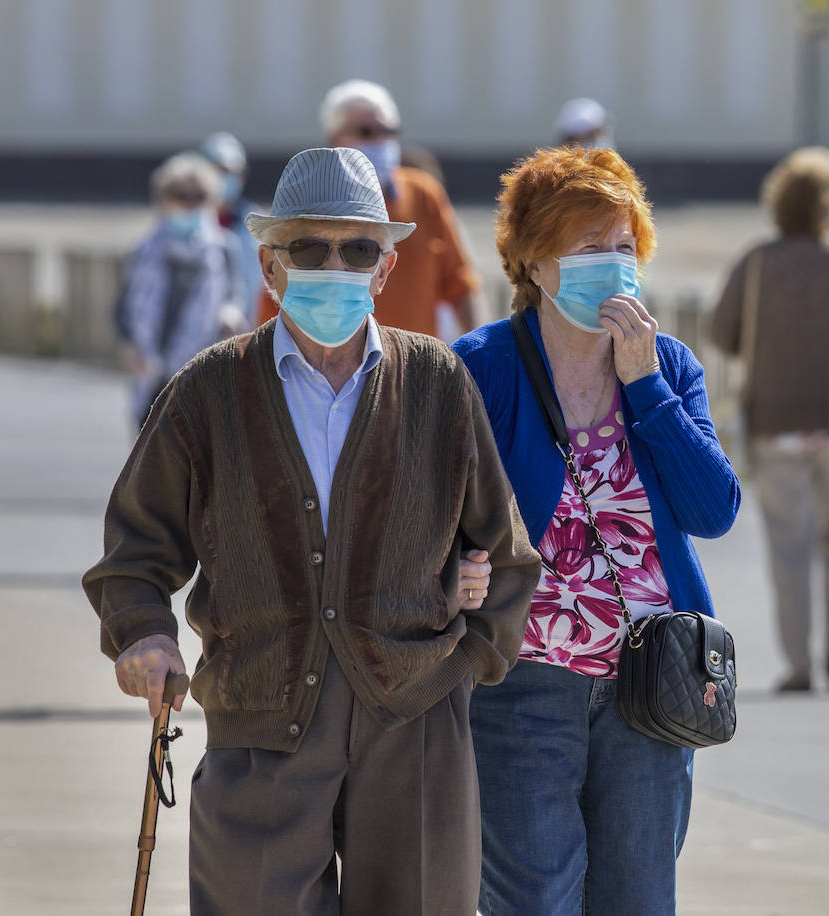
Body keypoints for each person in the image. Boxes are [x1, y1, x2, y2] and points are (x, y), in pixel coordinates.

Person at [83, 147, 540, 915]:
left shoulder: (436, 381)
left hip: (414, 724)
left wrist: (466, 666)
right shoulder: (208, 389)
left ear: (385, 270)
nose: (335, 265)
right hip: (259, 718)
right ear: (269, 266)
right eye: (308, 248)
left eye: (358, 248)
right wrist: (144, 634)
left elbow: (506, 552)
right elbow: (135, 548)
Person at [451, 146, 741, 915]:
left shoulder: (667, 365)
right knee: (533, 897)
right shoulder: (482, 367)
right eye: (588, 249)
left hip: (650, 686)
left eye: (623, 248)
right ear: (535, 264)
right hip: (522, 681)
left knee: (638, 899)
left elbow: (714, 510)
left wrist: (647, 385)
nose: (612, 267)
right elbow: (432, 511)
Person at [709, 146, 829, 693]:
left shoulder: (757, 262)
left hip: (777, 423)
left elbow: (722, 335)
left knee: (788, 547)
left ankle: (798, 664)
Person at [255, 79, 481, 337]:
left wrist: (476, 357)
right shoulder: (310, 200)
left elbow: (461, 285)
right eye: (366, 131)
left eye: (388, 131)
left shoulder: (425, 195)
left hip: (415, 367)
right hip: (328, 365)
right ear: (334, 137)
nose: (380, 140)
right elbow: (277, 292)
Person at [114, 151, 248, 430]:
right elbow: (122, 310)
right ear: (164, 199)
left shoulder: (223, 249)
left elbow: (236, 297)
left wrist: (229, 315)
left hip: (202, 375)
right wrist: (128, 348)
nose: (188, 204)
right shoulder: (143, 251)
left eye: (197, 196)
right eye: (180, 195)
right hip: (149, 375)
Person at [199, 131, 264, 320]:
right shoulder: (188, 220)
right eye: (219, 170)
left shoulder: (255, 221)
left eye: (233, 172)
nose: (226, 178)